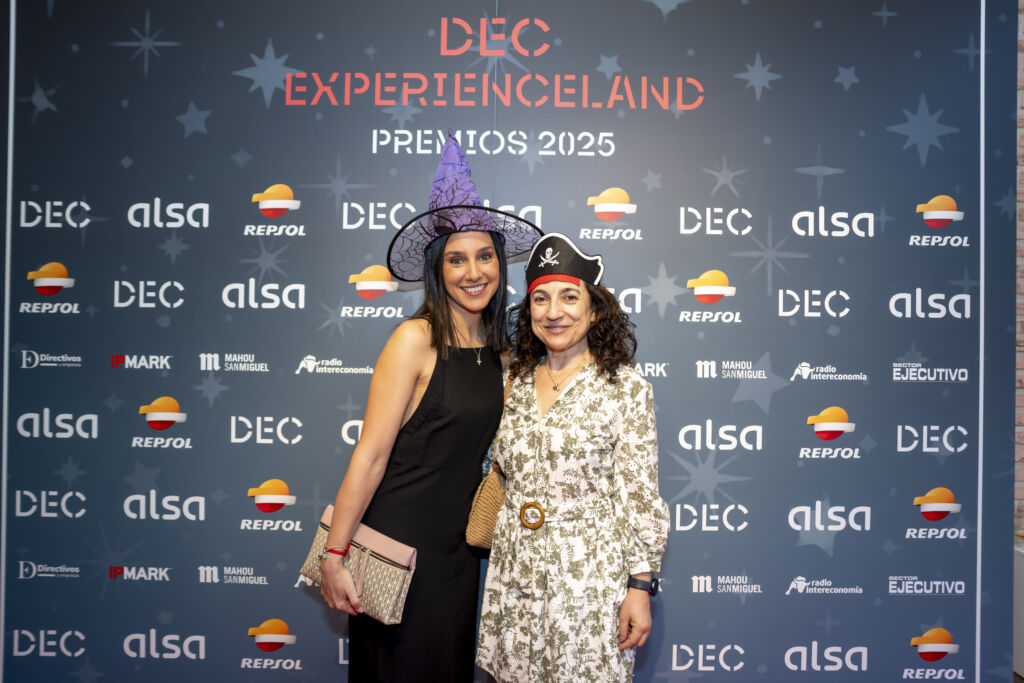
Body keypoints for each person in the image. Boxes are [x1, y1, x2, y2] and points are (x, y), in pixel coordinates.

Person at [319, 132, 542, 682]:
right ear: (438, 269)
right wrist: (334, 554)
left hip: (457, 555)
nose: (474, 272)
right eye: (457, 260)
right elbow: (371, 456)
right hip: (395, 549)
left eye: (485, 256)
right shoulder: (414, 340)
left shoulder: (502, 352)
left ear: (500, 263)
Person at [476, 233, 670, 682]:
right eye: (540, 299)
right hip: (515, 574)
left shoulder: (625, 389)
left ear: (594, 309)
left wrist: (639, 587)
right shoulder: (513, 383)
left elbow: (639, 494)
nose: (553, 312)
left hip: (588, 581)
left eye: (568, 296)